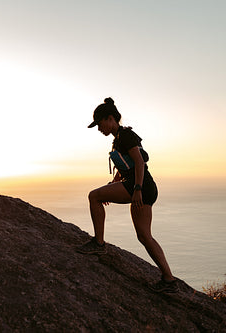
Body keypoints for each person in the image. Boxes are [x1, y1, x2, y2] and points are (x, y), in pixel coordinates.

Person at [76, 97, 178, 293]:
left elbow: (139, 162)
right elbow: (126, 166)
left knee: (93, 196)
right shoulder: (118, 139)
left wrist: (137, 189)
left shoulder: (126, 136)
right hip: (141, 186)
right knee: (144, 236)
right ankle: (169, 280)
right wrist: (113, 185)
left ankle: (98, 243)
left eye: (100, 124)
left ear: (110, 118)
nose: (99, 129)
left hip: (140, 186)